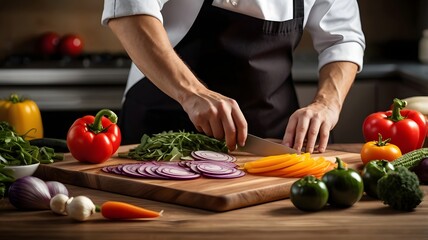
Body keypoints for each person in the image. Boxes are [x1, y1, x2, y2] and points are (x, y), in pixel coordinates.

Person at [101, 0, 365, 153]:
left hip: (272, 138)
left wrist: (326, 103)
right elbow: (129, 9)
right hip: (163, 132)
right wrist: (193, 93)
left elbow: (342, 38)